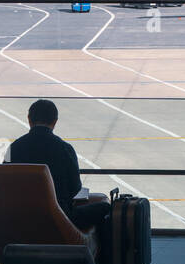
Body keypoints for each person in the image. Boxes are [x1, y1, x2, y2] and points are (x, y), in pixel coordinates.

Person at [6, 99, 110, 231]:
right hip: (58, 219)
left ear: (29, 119)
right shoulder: (64, 148)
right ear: (55, 121)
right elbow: (75, 188)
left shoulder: (13, 148)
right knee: (105, 208)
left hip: (21, 218)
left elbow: (7, 185)